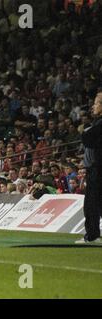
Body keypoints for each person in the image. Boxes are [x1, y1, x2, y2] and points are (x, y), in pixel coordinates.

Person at [76, 93, 102, 244]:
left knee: (91, 203)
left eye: (97, 103)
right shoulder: (96, 123)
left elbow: (87, 138)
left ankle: (92, 236)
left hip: (97, 169)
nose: (93, 106)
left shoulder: (98, 124)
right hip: (95, 169)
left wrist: (85, 131)